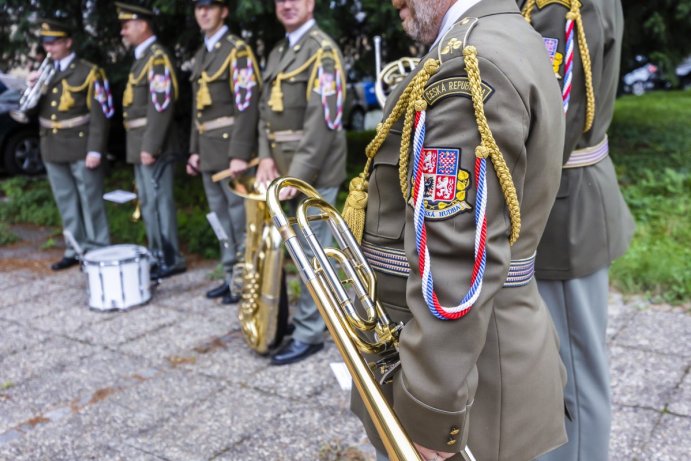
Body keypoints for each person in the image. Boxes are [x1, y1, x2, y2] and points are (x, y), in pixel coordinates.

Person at [346, 0, 568, 460]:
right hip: (484, 352)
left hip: (467, 376)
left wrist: (431, 411)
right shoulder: (507, 32)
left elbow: (455, 260)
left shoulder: (471, 64)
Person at [518, 1, 634, 459]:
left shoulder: (558, 7)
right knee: (566, 364)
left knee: (574, 376)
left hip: (562, 210)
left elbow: (552, 120)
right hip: (566, 198)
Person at [256, 0, 347, 365]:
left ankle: (311, 333)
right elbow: (266, 113)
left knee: (314, 255)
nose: (288, 5)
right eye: (281, 0)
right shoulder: (281, 50)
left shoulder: (323, 51)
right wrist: (264, 156)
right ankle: (310, 320)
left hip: (313, 173)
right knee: (298, 252)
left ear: (311, 4)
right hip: (282, 171)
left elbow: (323, 123)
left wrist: (298, 174)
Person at [186, 0, 260, 304]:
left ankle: (245, 282)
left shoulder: (236, 51)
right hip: (208, 151)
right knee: (220, 219)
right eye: (199, 8)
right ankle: (230, 276)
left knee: (239, 220)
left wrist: (240, 152)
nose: (203, 13)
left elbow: (246, 104)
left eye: (210, 7)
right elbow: (197, 110)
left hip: (232, 152)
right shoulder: (202, 54)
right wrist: (193, 150)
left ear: (223, 11)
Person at [27, 18, 112, 270]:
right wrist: (32, 88)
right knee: (65, 200)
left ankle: (98, 248)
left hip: (80, 144)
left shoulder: (88, 71)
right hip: (52, 145)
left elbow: (101, 113)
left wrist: (95, 149)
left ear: (68, 42)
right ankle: (74, 247)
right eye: (46, 44)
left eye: (54, 43)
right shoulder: (44, 72)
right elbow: (32, 111)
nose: (49, 48)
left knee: (90, 199)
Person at [116, 2, 186, 279]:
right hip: (141, 143)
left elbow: (161, 106)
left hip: (151, 145)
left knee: (159, 202)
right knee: (148, 201)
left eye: (127, 25)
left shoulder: (156, 59)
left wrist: (150, 146)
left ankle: (171, 256)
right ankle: (158, 253)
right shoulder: (143, 58)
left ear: (143, 25)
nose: (123, 31)